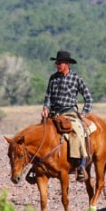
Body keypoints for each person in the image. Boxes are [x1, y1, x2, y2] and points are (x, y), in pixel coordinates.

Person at [41, 51, 93, 182]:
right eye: (56, 63)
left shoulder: (76, 78)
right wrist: (45, 108)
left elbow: (88, 98)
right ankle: (38, 165)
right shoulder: (53, 78)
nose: (57, 65)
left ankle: (81, 166)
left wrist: (84, 112)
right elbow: (48, 97)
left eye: (60, 63)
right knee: (41, 133)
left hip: (70, 113)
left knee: (78, 132)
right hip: (54, 113)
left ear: (67, 64)